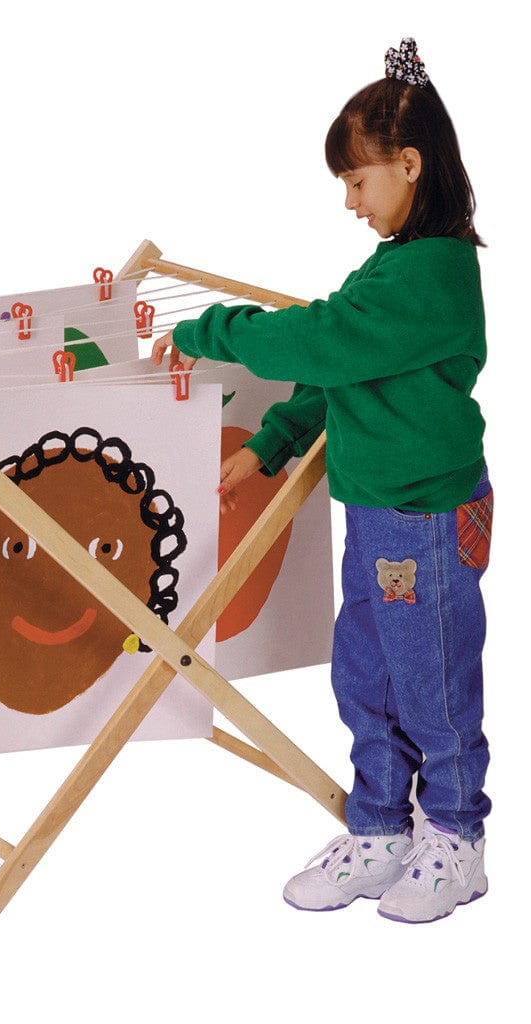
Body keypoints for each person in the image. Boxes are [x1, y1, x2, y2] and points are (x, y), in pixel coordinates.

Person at [151, 38, 492, 924]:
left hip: (426, 517)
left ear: (409, 166)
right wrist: (269, 445)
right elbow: (340, 371)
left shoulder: (435, 271)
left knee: (432, 681)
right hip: (376, 513)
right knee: (365, 675)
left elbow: (321, 341)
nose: (349, 201)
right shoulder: (391, 266)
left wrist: (207, 332)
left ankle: (454, 838)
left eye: (357, 180)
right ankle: (378, 826)